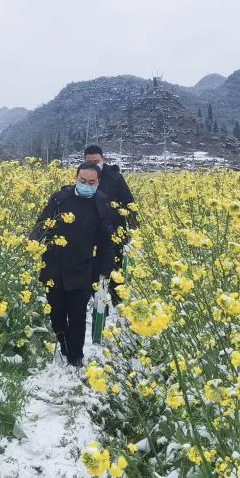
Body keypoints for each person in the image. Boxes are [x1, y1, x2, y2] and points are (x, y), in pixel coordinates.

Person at [30, 162, 116, 367]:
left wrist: (104, 269)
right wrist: (33, 243)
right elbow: (42, 224)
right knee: (57, 313)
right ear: (76, 178)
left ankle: (76, 356)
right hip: (54, 266)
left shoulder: (101, 204)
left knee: (77, 314)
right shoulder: (60, 198)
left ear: (98, 183)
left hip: (82, 267)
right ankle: (64, 344)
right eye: (82, 180)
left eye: (91, 182)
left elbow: (107, 241)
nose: (86, 185)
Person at [82, 145, 137, 301]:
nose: (93, 164)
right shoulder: (83, 177)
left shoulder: (115, 177)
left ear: (103, 159)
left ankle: (117, 303)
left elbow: (129, 202)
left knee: (115, 269)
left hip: (114, 231)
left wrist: (133, 228)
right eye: (89, 162)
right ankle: (95, 303)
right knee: (92, 268)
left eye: (96, 161)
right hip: (92, 232)